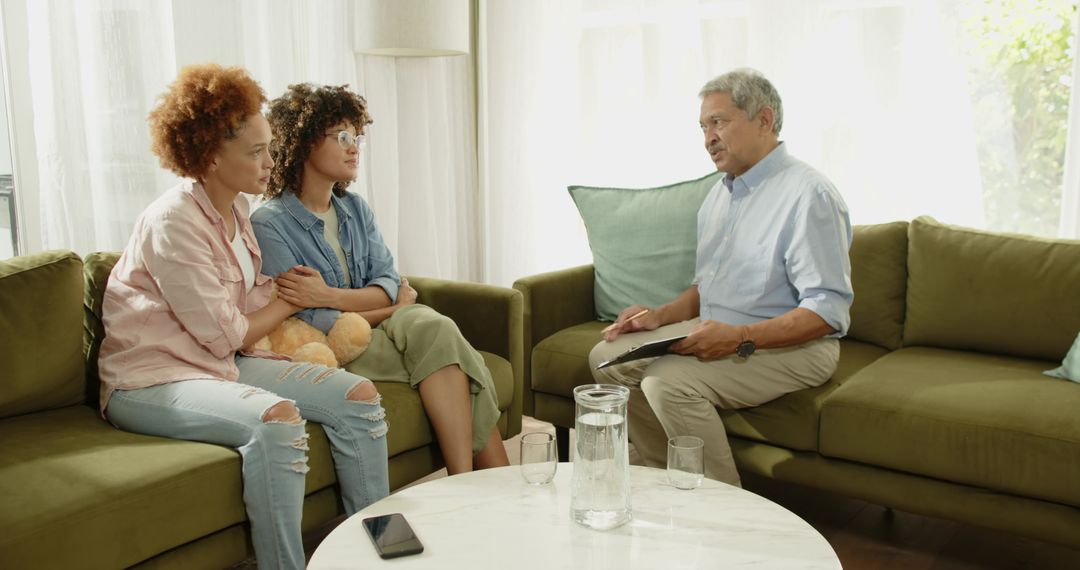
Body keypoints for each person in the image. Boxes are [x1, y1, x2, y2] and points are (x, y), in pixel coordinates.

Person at [97, 65, 389, 570]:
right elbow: (224, 334)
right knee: (277, 421)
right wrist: (291, 300)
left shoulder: (237, 211)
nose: (270, 162)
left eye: (269, 147)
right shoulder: (174, 221)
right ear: (211, 156)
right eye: (256, 152)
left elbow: (249, 304)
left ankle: (377, 555)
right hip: (151, 380)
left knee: (359, 397)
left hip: (220, 365)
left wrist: (286, 291)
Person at [589, 68, 853, 487]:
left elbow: (827, 313)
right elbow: (705, 287)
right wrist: (658, 316)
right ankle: (664, 479)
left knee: (666, 382)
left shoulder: (809, 195)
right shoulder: (718, 196)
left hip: (799, 346)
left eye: (719, 122)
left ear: (764, 120)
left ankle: (722, 506)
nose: (708, 138)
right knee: (606, 359)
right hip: (720, 328)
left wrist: (739, 337)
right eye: (703, 127)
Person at [251, 83, 510, 475]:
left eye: (357, 138)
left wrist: (331, 294)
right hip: (332, 347)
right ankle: (472, 483)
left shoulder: (355, 209)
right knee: (449, 348)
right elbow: (313, 318)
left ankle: (463, 483)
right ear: (303, 142)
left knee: (431, 325)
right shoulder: (270, 224)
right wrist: (391, 309)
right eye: (342, 137)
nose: (354, 148)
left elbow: (387, 282)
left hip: (375, 326)